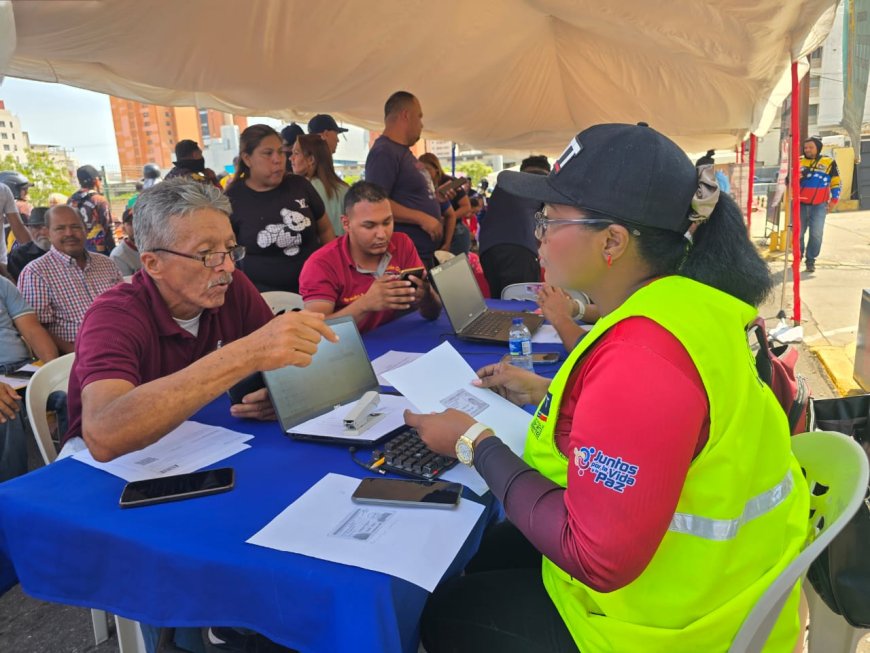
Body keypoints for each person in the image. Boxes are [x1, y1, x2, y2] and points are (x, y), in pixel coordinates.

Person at [405, 123, 809, 653]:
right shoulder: (690, 305)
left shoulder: (644, 357)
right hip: (715, 585)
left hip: (664, 628)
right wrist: (547, 392)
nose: (540, 237)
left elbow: (596, 558)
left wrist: (474, 443)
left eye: (550, 221)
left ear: (613, 241)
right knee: (487, 551)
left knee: (443, 612)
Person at [58, 178, 337, 653]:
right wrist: (243, 356)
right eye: (207, 253)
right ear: (152, 263)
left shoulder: (231, 287)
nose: (225, 267)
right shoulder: (114, 315)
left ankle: (239, 616)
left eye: (230, 249)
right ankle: (190, 630)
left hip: (200, 443)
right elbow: (104, 434)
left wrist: (275, 391)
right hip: (107, 475)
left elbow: (277, 361)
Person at [299, 181, 441, 333]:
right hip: (349, 351)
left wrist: (427, 296)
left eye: (387, 222)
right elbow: (316, 332)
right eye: (369, 226)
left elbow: (433, 314)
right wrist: (364, 305)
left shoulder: (402, 244)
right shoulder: (321, 264)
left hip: (394, 339)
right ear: (346, 224)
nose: (382, 234)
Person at [226, 124, 335, 293]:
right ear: (247, 159)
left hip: (315, 289)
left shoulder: (300, 185)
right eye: (268, 153)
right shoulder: (233, 199)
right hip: (262, 298)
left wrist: (333, 269)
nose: (278, 159)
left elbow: (326, 230)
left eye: (281, 152)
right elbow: (227, 252)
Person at [18, 205, 122, 353]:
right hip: (76, 354)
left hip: (123, 343)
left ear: (85, 230)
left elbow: (126, 305)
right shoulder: (36, 273)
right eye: (60, 228)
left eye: (75, 227)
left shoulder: (106, 263)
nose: (69, 233)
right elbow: (38, 328)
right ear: (48, 232)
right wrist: (78, 354)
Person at [365, 91, 443, 268]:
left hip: (420, 254)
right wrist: (422, 218)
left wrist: (435, 199)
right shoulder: (384, 152)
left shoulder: (402, 152)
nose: (421, 124)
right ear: (406, 115)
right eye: (419, 116)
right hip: (404, 258)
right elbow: (375, 202)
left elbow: (407, 195)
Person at [0, 274, 59, 480]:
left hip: (21, 369)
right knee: (7, 410)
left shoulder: (2, 284)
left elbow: (33, 330)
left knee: (71, 392)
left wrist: (55, 370)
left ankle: (75, 467)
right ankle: (12, 491)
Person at [478, 155, 550, 298]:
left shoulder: (506, 184)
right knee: (524, 303)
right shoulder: (543, 182)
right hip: (520, 248)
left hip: (487, 248)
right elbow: (551, 219)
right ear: (547, 171)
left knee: (500, 299)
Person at [290, 134, 349, 236]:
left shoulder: (303, 189)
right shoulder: (345, 188)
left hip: (319, 249)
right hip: (343, 247)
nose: (291, 158)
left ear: (311, 160)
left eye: (296, 153)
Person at [799, 136, 840, 273]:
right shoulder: (799, 161)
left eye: (811, 147)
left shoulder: (829, 162)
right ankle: (798, 255)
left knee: (816, 234)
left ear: (818, 148)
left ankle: (810, 260)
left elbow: (836, 181)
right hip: (800, 204)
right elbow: (788, 181)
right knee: (798, 233)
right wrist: (794, 178)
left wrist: (834, 200)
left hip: (819, 206)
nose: (807, 150)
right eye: (805, 147)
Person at [419, 152, 472, 255]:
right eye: (420, 170)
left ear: (436, 169)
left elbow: (466, 207)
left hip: (457, 232)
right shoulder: (422, 185)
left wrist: (447, 219)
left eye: (427, 169)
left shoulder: (449, 182)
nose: (423, 173)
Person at [68, 165, 116, 254]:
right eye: (100, 180)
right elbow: (108, 228)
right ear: (96, 180)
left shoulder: (71, 200)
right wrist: (113, 250)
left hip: (76, 246)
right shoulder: (99, 200)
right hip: (98, 248)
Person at [7, 207, 50, 281]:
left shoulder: (66, 252)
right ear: (29, 229)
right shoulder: (19, 255)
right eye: (37, 228)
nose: (43, 232)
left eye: (47, 227)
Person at [0, 173, 32, 264]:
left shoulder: (3, 191)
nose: (26, 193)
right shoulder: (3, 190)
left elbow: (19, 230)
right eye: (24, 190)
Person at [110, 207, 142, 276]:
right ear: (124, 229)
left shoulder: (157, 246)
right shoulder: (118, 256)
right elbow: (127, 285)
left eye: (140, 222)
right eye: (131, 224)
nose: (136, 227)